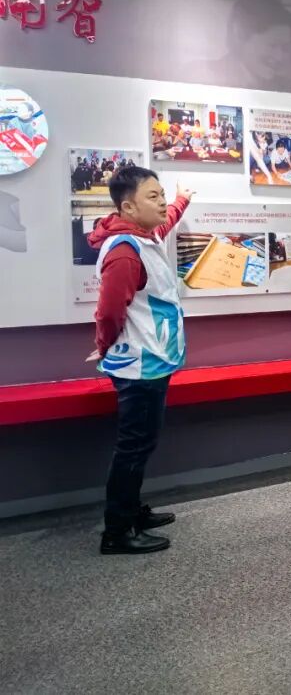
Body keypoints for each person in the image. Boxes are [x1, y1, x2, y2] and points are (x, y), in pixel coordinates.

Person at [87, 167, 193, 555]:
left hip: (152, 361)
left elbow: (166, 221)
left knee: (142, 444)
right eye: (153, 196)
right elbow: (109, 311)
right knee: (134, 447)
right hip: (139, 367)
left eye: (162, 194)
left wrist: (183, 199)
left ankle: (132, 511)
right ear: (128, 207)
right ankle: (117, 531)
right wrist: (103, 345)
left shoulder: (144, 235)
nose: (163, 202)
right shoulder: (125, 252)